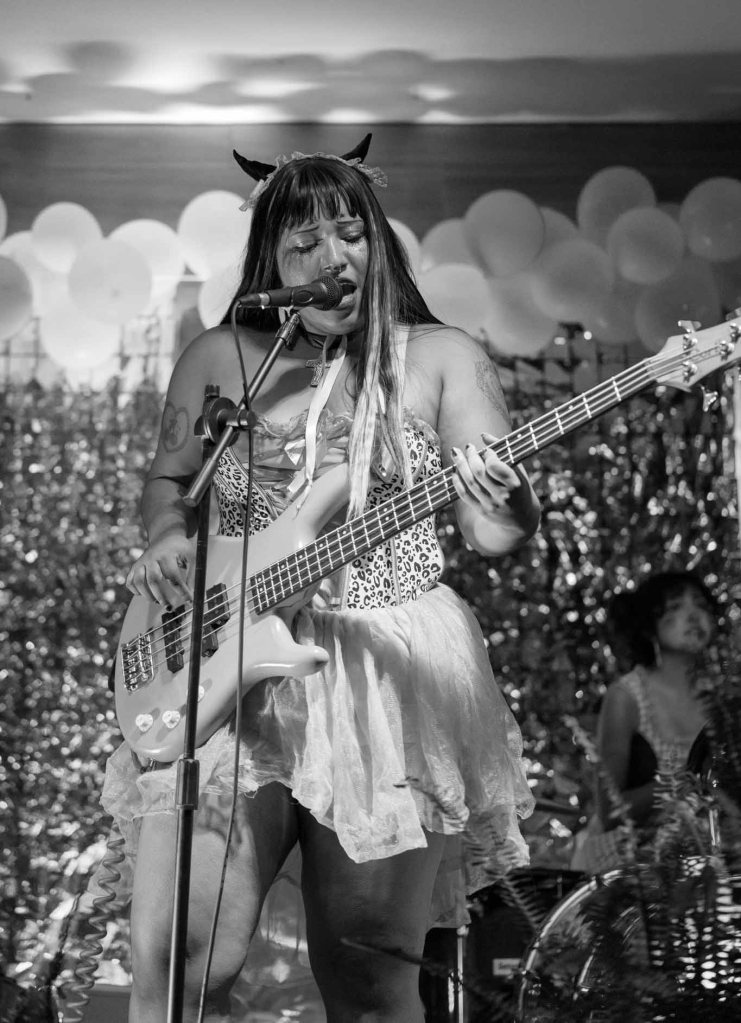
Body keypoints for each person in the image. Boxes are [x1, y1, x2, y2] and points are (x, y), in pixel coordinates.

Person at [101, 133, 540, 1023]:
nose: (330, 258)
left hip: (382, 670)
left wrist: (513, 500)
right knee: (181, 956)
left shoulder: (441, 355)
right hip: (222, 657)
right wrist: (165, 536)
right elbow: (168, 481)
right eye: (303, 242)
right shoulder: (222, 357)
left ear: (380, 244)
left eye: (350, 234)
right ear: (272, 262)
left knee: (368, 976)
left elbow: (490, 530)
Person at [571, 570, 719, 876]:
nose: (693, 615)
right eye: (676, 606)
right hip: (632, 866)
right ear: (649, 624)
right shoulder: (627, 696)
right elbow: (610, 811)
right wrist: (685, 780)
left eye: (701, 605)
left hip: (703, 857)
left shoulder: (721, 698)